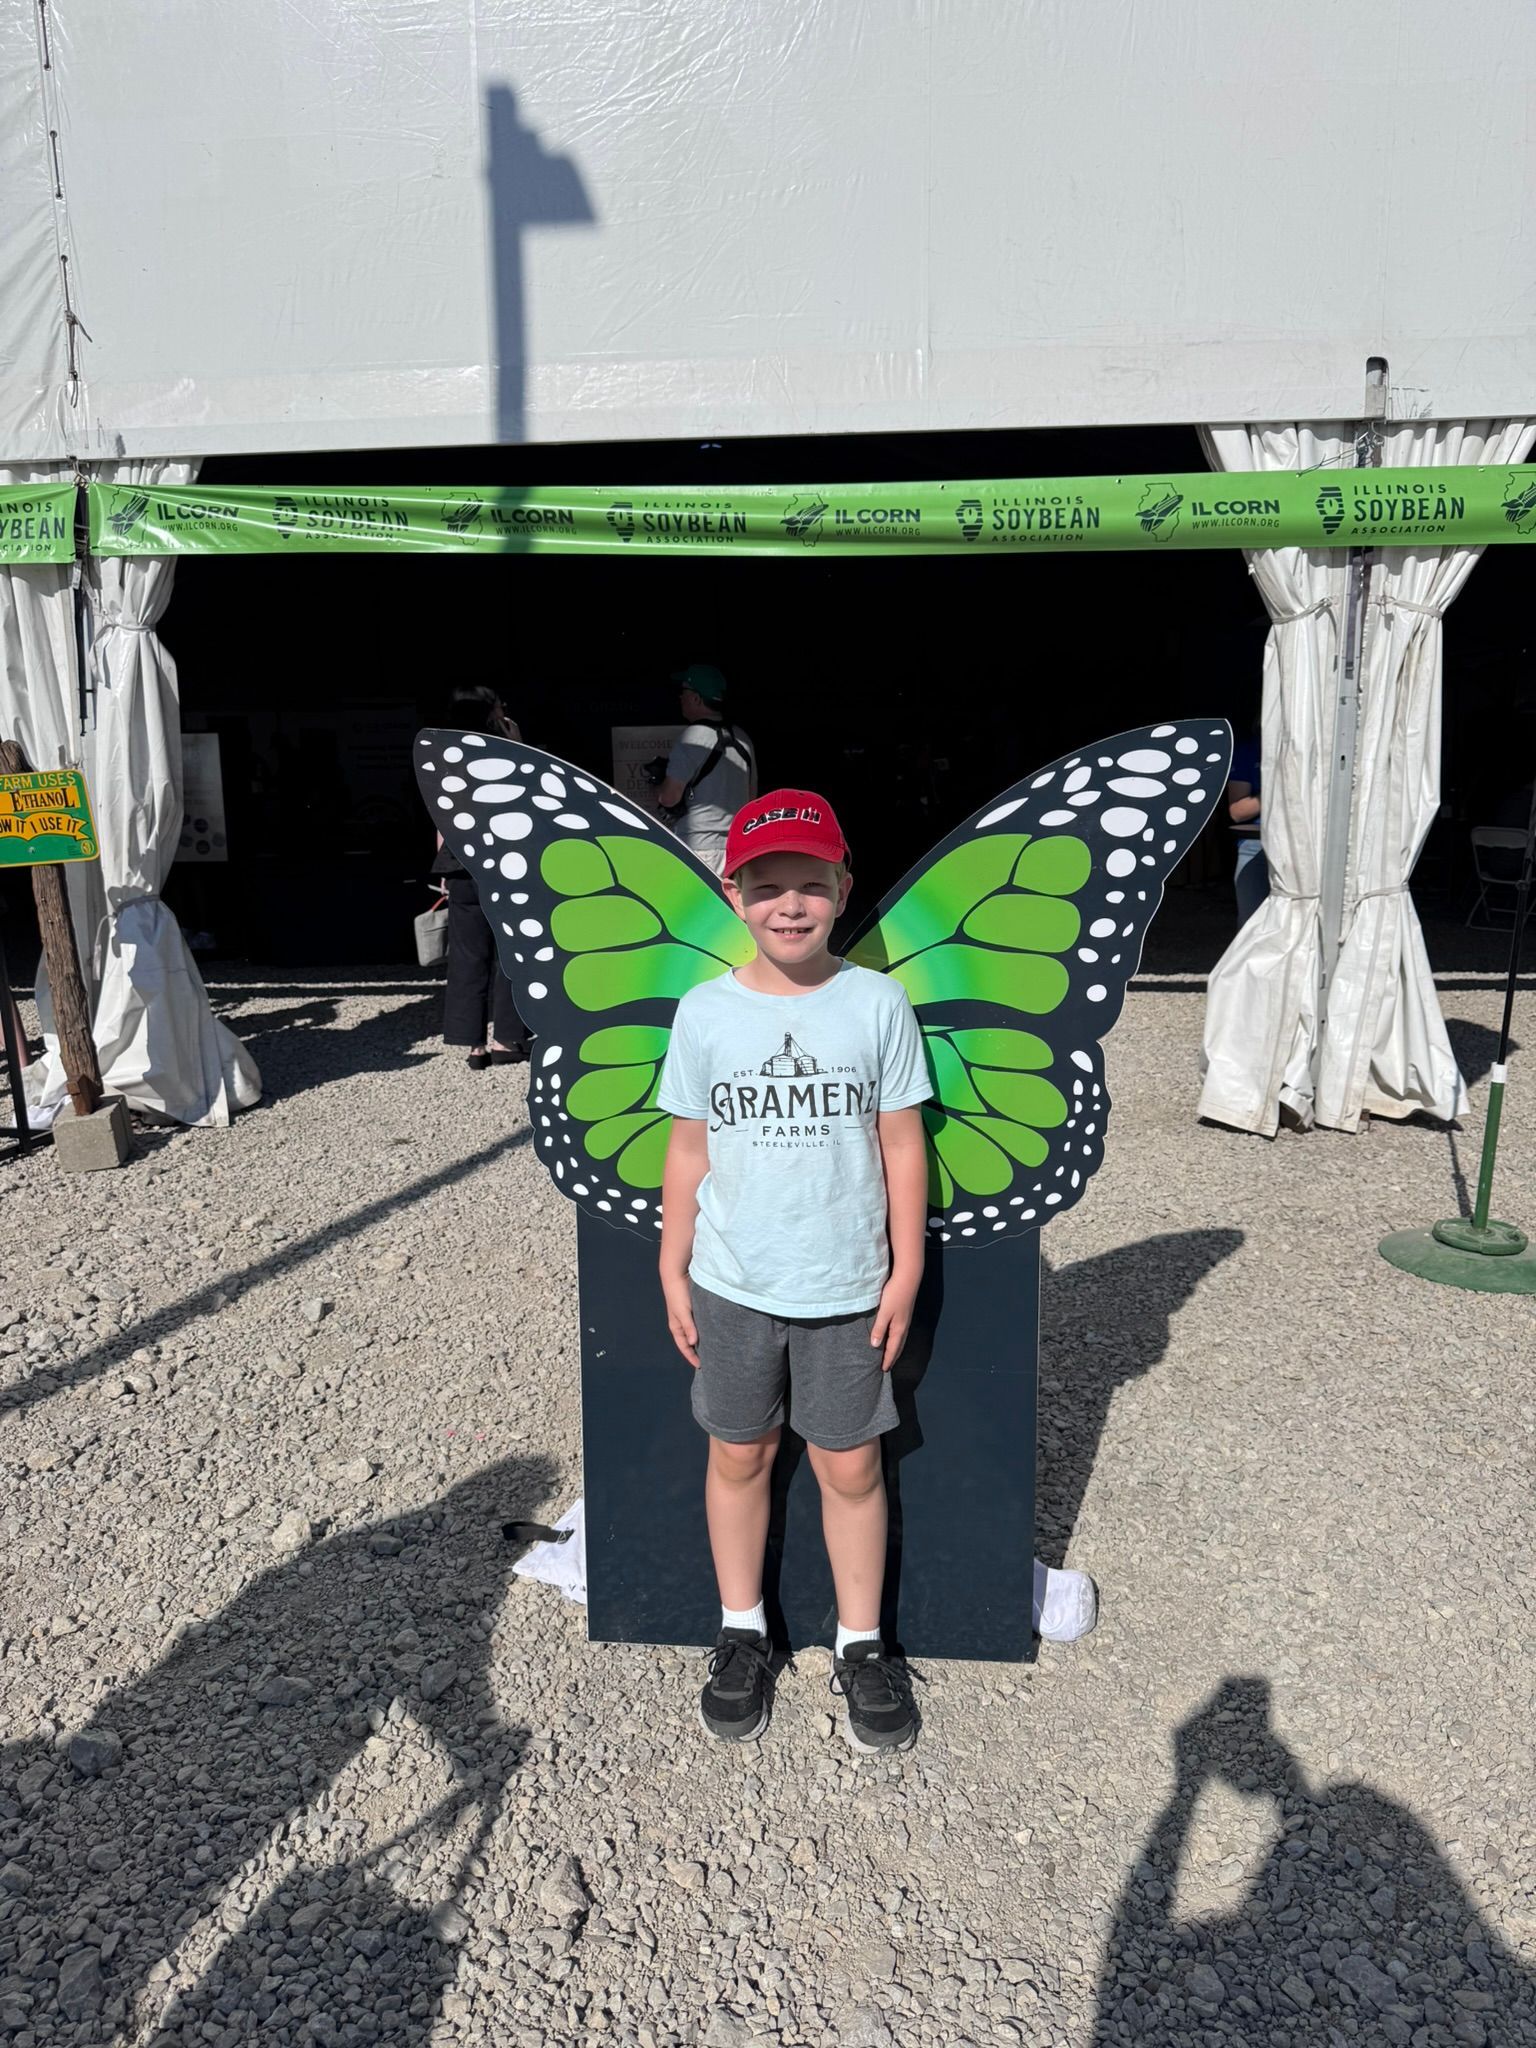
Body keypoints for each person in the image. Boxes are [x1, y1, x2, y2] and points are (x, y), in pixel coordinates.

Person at [656, 787, 931, 1752]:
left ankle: (863, 1644)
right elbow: (688, 1148)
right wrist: (670, 1259)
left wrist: (904, 1271)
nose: (788, 904)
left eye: (809, 884)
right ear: (734, 895)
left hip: (849, 1288)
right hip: (732, 1285)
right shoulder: (703, 1013)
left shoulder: (878, 1002)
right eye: (766, 885)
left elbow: (903, 1144)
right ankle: (741, 1632)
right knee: (739, 1453)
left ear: (843, 889)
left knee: (852, 1465)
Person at [433, 686, 529, 1069]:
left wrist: (440, 863)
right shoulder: (505, 749)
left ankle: (473, 1045)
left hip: (458, 859)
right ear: (492, 710)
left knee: (468, 954)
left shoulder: (445, 752)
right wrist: (518, 741)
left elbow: (442, 811)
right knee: (510, 950)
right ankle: (506, 1038)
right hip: (504, 859)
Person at [655, 663, 757, 877]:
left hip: (698, 847)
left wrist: (658, 783)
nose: (679, 697)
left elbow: (669, 798)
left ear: (696, 698)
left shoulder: (692, 738)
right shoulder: (743, 738)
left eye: (683, 691)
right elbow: (751, 799)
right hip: (736, 848)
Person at [1225, 724, 1268, 925]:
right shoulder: (1249, 750)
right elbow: (1237, 812)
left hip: (1303, 845)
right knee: (1251, 926)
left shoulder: (1315, 748)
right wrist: (1277, 788)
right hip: (1255, 845)